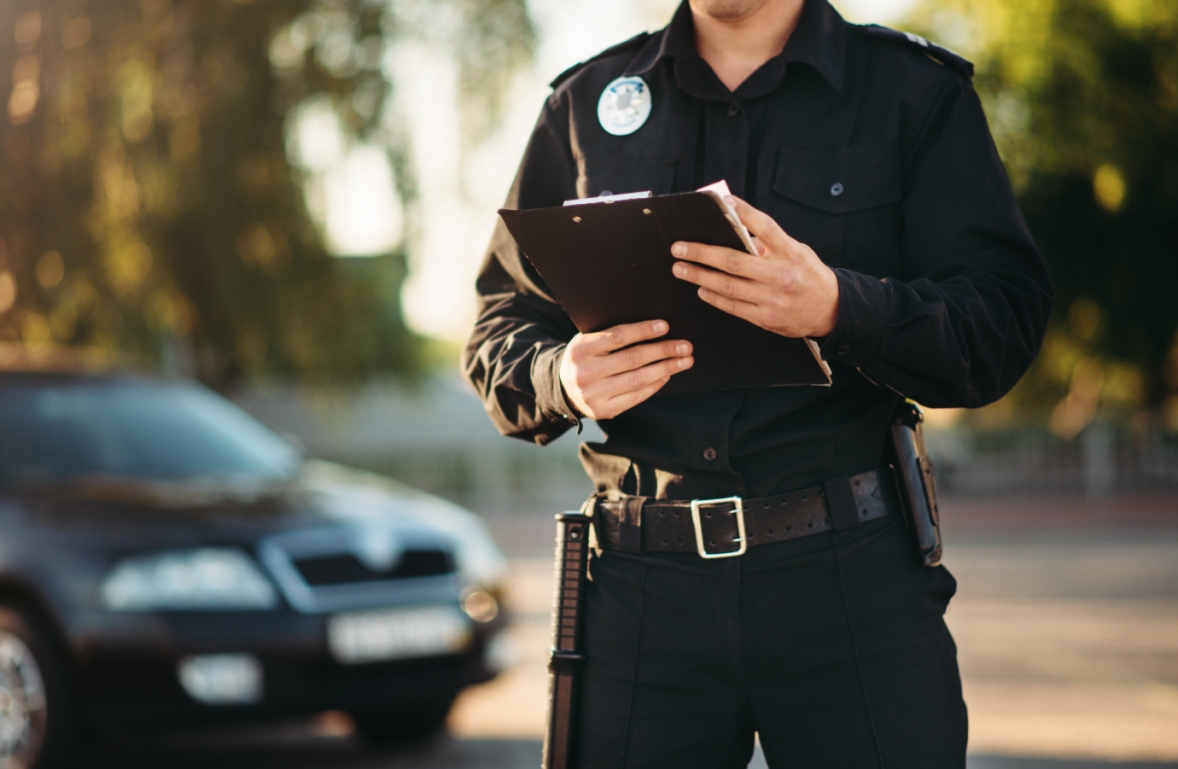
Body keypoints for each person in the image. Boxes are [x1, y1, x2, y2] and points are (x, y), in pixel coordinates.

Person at [462, 0, 1053, 765]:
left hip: (850, 585)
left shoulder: (913, 91)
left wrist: (841, 306)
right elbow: (498, 327)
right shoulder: (584, 103)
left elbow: (1000, 322)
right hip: (640, 591)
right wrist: (561, 377)